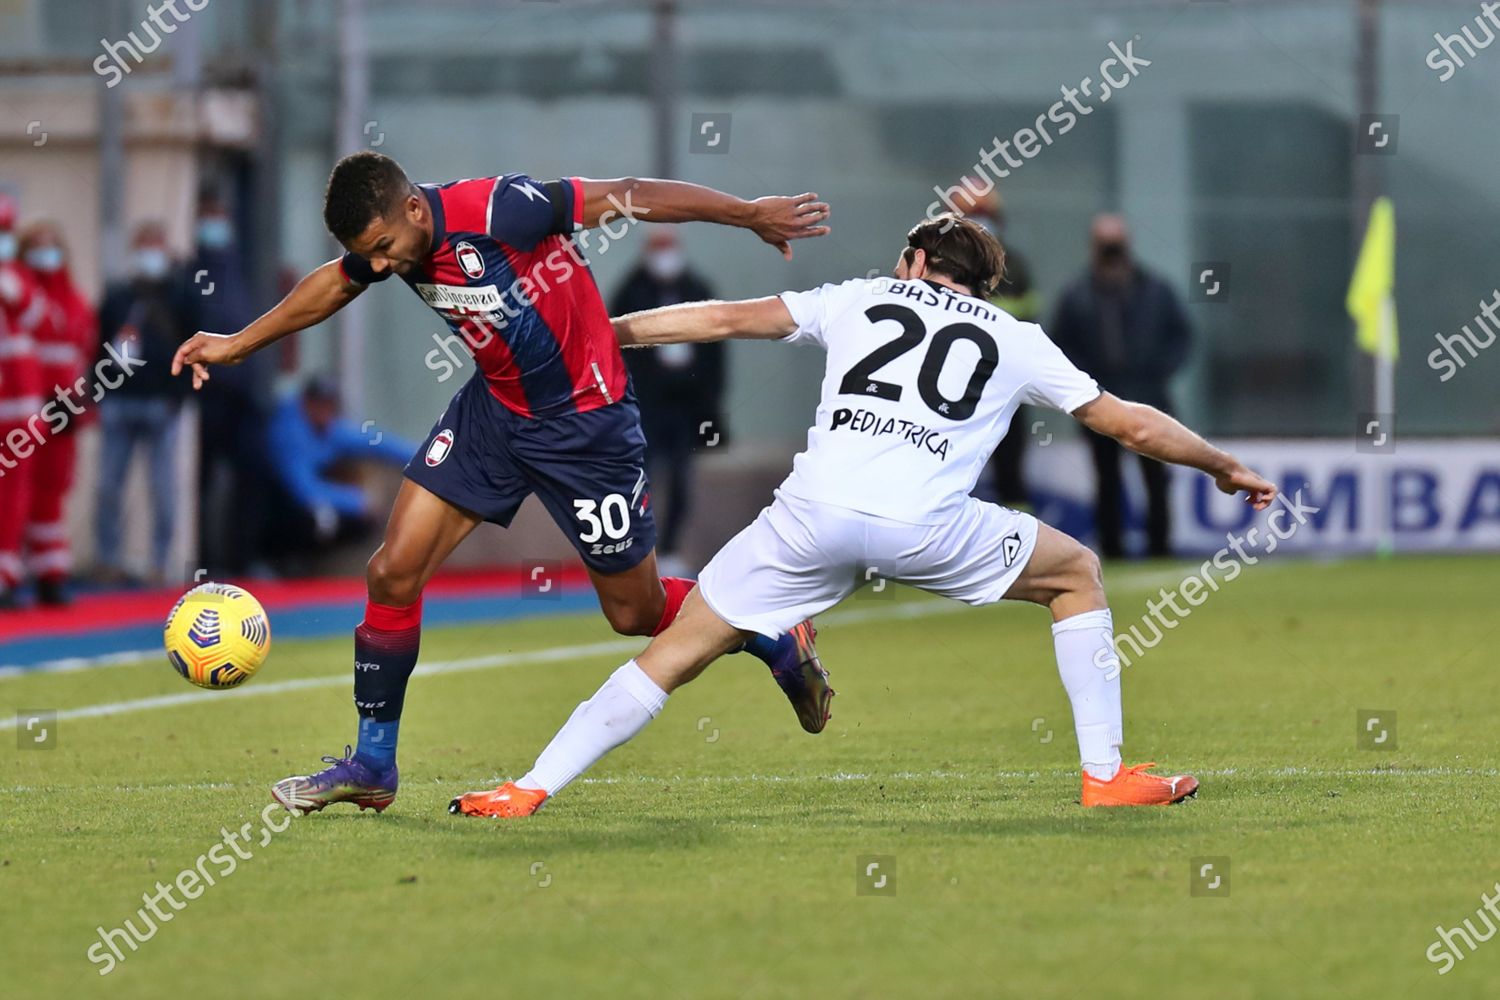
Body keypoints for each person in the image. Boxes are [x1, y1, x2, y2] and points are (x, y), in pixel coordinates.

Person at [449, 215, 1276, 818]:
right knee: (1077, 575)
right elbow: (1125, 421)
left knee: (672, 655)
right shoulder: (1015, 336)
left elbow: (728, 318)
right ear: (982, 284)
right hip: (928, 527)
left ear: (915, 262)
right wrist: (1222, 465)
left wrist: (606, 335)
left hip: (809, 520)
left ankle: (527, 789)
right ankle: (1106, 776)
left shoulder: (859, 298)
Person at [171, 152, 835, 815]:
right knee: (391, 572)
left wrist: (747, 214)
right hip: (494, 412)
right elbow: (336, 283)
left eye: (382, 249)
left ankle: (766, 629)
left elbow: (631, 194)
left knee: (633, 613)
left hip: (585, 425)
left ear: (411, 209)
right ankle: (373, 764)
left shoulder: (501, 210)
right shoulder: (386, 248)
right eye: (366, 254)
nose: (378, 266)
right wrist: (237, 343)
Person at [1050, 214, 1192, 558]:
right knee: (1107, 478)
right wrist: (1084, 384)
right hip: (1100, 400)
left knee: (1156, 477)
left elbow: (1181, 335)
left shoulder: (1155, 289)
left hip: (1149, 397)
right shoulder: (1077, 295)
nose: (1112, 255)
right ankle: (1112, 548)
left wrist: (1157, 372)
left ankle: (1160, 546)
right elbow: (1060, 345)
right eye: (1107, 247)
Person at [610, 229, 723, 573]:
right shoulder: (631, 292)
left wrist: (709, 401)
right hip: (645, 404)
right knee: (640, 476)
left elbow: (715, 353)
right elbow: (616, 348)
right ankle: (636, 553)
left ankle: (670, 549)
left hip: (686, 404)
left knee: (680, 478)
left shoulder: (698, 290)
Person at [94, 221, 190, 585]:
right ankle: (108, 560)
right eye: (144, 245)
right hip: (120, 400)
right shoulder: (119, 296)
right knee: (108, 485)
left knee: (164, 489)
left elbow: (197, 344)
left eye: (156, 245)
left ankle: (160, 564)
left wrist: (178, 395)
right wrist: (97, 391)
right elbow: (98, 344)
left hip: (161, 403)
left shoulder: (179, 295)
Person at [186, 190, 273, 577]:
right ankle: (202, 563)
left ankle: (243, 559)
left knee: (252, 476)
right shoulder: (192, 271)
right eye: (209, 215)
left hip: (244, 392)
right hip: (208, 393)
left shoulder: (242, 265)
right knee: (200, 483)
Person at [19, 220, 98, 605]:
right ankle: (14, 574)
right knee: (19, 491)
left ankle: (51, 574)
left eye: (51, 245)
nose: (45, 254)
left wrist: (81, 404)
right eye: (36, 246)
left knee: (54, 490)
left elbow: (83, 352)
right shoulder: (23, 295)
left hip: (62, 402)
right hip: (25, 400)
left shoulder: (73, 299)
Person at [950, 179, 1040, 508]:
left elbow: (1029, 319)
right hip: (950, 382)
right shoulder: (938, 267)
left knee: (1011, 464)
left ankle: (1018, 540)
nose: (979, 221)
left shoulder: (1013, 264)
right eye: (971, 214)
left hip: (1003, 381)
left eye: (983, 213)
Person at [263, 375, 414, 567]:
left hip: (304, 498)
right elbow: (303, 490)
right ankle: (281, 564)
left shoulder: (328, 427)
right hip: (275, 506)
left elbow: (375, 442)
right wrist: (357, 501)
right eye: (318, 404)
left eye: (328, 404)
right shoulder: (288, 431)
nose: (324, 411)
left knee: (347, 519)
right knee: (319, 519)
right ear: (306, 403)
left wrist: (423, 456)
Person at [0, 193, 45, 608]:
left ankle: (8, 575)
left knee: (16, 497)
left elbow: (34, 314)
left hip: (18, 408)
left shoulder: (17, 277)